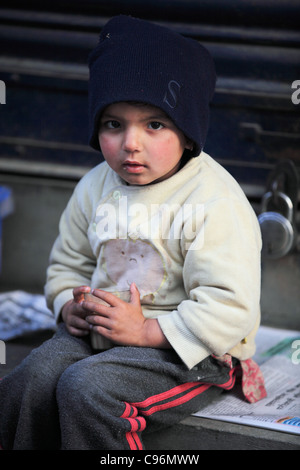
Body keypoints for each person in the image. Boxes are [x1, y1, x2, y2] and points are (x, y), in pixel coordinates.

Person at [0, 15, 266, 450]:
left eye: (154, 124)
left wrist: (145, 333)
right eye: (113, 124)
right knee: (30, 379)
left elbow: (229, 307)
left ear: (188, 129)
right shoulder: (94, 187)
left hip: (191, 352)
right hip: (101, 334)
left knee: (88, 389)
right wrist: (70, 305)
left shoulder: (213, 200)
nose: (131, 143)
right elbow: (68, 264)